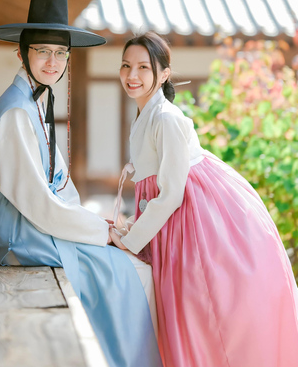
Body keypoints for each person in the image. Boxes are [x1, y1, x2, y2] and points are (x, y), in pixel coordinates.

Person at [0, 0, 161, 367]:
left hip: (30, 222)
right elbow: (38, 203)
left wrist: (95, 222)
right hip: (15, 230)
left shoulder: (33, 102)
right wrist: (101, 232)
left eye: (60, 53)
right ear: (22, 53)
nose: (52, 62)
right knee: (128, 268)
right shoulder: (17, 112)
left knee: (126, 261)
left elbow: (60, 184)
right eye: (42, 51)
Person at [110, 31, 298, 367]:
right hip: (177, 216)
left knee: (202, 310)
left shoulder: (166, 118)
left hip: (194, 217)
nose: (132, 75)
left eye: (143, 67)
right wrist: (134, 228)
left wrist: (132, 240)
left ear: (163, 74)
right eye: (126, 66)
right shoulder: (146, 114)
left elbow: (171, 194)